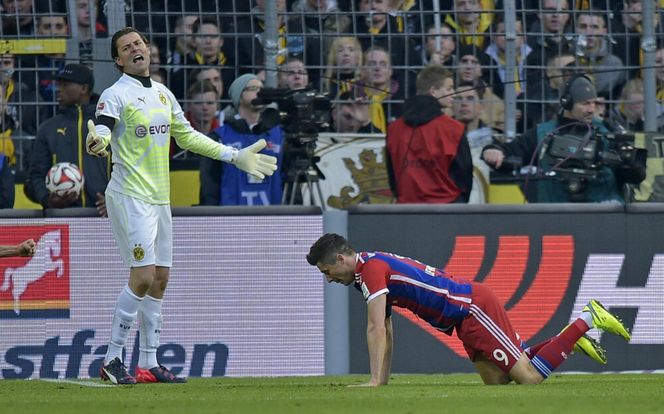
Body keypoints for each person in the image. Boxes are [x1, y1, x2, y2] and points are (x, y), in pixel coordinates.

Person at [86, 27, 277, 385]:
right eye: (127, 48)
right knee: (142, 276)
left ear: (147, 49)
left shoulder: (162, 94)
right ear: (118, 59)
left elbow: (186, 135)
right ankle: (112, 358)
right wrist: (99, 139)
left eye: (139, 43)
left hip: (159, 197)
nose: (135, 50)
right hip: (129, 195)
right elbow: (104, 129)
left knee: (160, 279)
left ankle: (149, 361)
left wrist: (234, 156)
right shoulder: (114, 95)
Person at [306, 233, 631, 386]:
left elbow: (375, 328)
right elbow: (386, 330)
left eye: (326, 272)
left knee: (529, 381)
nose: (329, 279)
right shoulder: (368, 269)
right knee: (499, 386)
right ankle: (570, 341)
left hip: (472, 309)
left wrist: (375, 382)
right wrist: (383, 381)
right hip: (463, 320)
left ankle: (587, 319)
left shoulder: (372, 270)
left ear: (340, 259)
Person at [481, 74, 646, 203]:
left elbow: (634, 176)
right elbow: (510, 152)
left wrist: (630, 167)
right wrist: (493, 151)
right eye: (585, 103)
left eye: (594, 103)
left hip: (604, 212)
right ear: (566, 103)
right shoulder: (542, 132)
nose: (591, 109)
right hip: (556, 215)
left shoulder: (608, 129)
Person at [24, 64, 110, 214]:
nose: (59, 89)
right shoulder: (48, 129)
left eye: (65, 85)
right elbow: (34, 177)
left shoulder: (108, 125)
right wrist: (48, 200)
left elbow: (127, 170)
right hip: (62, 217)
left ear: (84, 88)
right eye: (58, 85)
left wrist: (117, 200)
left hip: (106, 216)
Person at [385, 65, 473, 203]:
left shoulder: (393, 129)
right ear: (433, 91)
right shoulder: (454, 129)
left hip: (406, 208)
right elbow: (464, 175)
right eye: (449, 88)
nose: (454, 94)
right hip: (446, 207)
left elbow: (393, 174)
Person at [199, 74, 283, 206]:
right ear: (239, 95)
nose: (259, 92)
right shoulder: (219, 137)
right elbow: (210, 188)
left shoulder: (278, 134)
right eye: (253, 88)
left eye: (261, 88)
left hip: (272, 219)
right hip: (232, 219)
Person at [452, 81, 497, 204]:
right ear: (452, 105)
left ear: (481, 106)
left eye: (470, 99)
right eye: (458, 98)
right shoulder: (441, 141)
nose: (464, 103)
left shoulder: (493, 144)